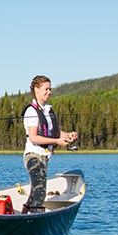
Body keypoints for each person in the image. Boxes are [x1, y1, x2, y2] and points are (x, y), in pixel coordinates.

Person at [21, 75, 78, 213]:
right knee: (40, 192)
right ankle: (35, 223)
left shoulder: (47, 110)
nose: (49, 92)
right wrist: (57, 142)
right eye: (46, 89)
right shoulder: (31, 111)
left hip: (44, 157)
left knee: (35, 192)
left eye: (50, 89)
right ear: (36, 90)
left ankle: (22, 216)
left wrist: (68, 135)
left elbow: (55, 133)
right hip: (33, 157)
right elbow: (34, 137)